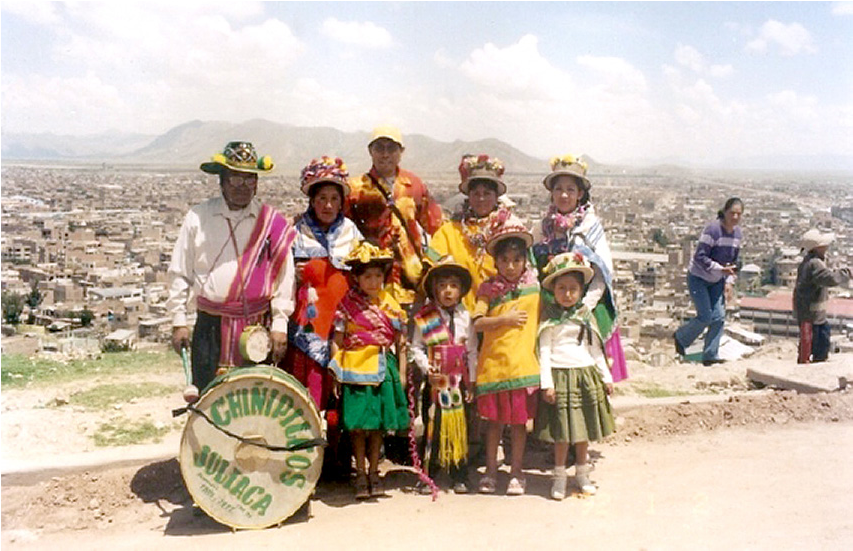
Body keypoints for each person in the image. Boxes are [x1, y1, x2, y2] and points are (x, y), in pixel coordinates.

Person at [167, 141, 296, 395]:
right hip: (210, 328)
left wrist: (280, 324)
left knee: (255, 401)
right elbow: (180, 271)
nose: (242, 187)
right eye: (235, 179)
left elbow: (285, 277)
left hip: (257, 328)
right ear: (222, 181)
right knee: (208, 397)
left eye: (249, 180)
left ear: (257, 183)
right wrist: (178, 320)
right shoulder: (198, 218)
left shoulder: (272, 222)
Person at [283, 156, 363, 479]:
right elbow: (279, 276)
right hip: (307, 327)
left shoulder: (351, 233)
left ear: (342, 201)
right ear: (311, 200)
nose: (328, 205)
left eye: (334, 198)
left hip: (343, 324)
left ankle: (338, 458)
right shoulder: (296, 232)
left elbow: (363, 275)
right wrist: (295, 273)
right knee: (308, 392)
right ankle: (306, 460)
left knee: (339, 393)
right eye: (321, 198)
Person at [531, 154, 627, 382]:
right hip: (551, 305)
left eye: (570, 190)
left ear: (580, 194)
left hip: (585, 306)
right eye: (559, 189)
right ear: (552, 193)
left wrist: (584, 307)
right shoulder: (542, 228)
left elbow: (601, 273)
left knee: (590, 366)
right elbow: (532, 264)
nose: (564, 195)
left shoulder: (590, 227)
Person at [329, 240, 410, 500]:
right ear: (357, 278)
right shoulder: (346, 305)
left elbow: (401, 342)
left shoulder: (390, 304)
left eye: (378, 276)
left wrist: (404, 373)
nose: (373, 282)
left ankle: (375, 471)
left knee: (377, 426)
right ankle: (360, 473)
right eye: (368, 277)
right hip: (353, 369)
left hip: (383, 368)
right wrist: (335, 372)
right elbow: (337, 341)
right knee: (357, 426)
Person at [535, 252, 615, 499]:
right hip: (561, 378)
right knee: (562, 434)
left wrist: (606, 377)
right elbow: (545, 351)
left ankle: (581, 474)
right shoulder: (550, 318)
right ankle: (559, 477)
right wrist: (547, 384)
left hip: (584, 376)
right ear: (554, 290)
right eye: (562, 289)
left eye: (573, 289)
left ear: (581, 291)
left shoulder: (585, 317)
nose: (568, 294)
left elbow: (595, 349)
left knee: (582, 433)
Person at [472, 216, 540, 496]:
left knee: (518, 425)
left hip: (522, 365)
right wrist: (504, 318)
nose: (510, 266)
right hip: (495, 366)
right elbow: (477, 321)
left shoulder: (535, 288)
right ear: (496, 262)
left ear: (525, 260)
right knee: (494, 424)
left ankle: (516, 471)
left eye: (516, 260)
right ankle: (490, 471)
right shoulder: (488, 289)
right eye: (505, 261)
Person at [344, 125, 444, 309]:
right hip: (371, 282)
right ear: (370, 151)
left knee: (416, 334)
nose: (385, 154)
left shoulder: (414, 185)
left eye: (391, 148)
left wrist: (435, 261)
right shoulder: (355, 189)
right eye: (379, 148)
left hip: (412, 280)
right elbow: (341, 230)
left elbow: (436, 228)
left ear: (401, 152)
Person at [411, 255, 478, 494]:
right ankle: (429, 473)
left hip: (459, 384)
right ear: (434, 290)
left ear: (460, 290)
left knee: (460, 428)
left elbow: (471, 351)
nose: (448, 291)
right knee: (434, 426)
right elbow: (417, 347)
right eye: (442, 285)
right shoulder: (427, 318)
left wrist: (472, 382)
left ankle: (459, 473)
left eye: (453, 285)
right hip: (435, 383)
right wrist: (425, 367)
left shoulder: (466, 317)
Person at [428, 154, 514, 313]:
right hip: (459, 318)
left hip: (499, 318)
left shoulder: (509, 230)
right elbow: (431, 265)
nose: (481, 199)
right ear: (468, 196)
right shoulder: (449, 231)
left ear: (496, 197)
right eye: (476, 193)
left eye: (487, 193)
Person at [673, 197, 744, 366]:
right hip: (699, 277)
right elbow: (700, 256)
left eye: (738, 214)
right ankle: (681, 338)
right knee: (705, 316)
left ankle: (710, 356)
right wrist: (720, 269)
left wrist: (729, 281)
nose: (734, 217)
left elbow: (733, 262)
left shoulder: (737, 235)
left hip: (717, 281)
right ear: (725, 212)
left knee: (718, 318)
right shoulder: (713, 230)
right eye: (732, 213)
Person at [793, 229, 851, 364]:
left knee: (815, 341)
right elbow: (829, 279)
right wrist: (847, 272)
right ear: (818, 247)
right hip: (811, 315)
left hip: (813, 314)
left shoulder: (810, 261)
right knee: (813, 343)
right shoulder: (814, 264)